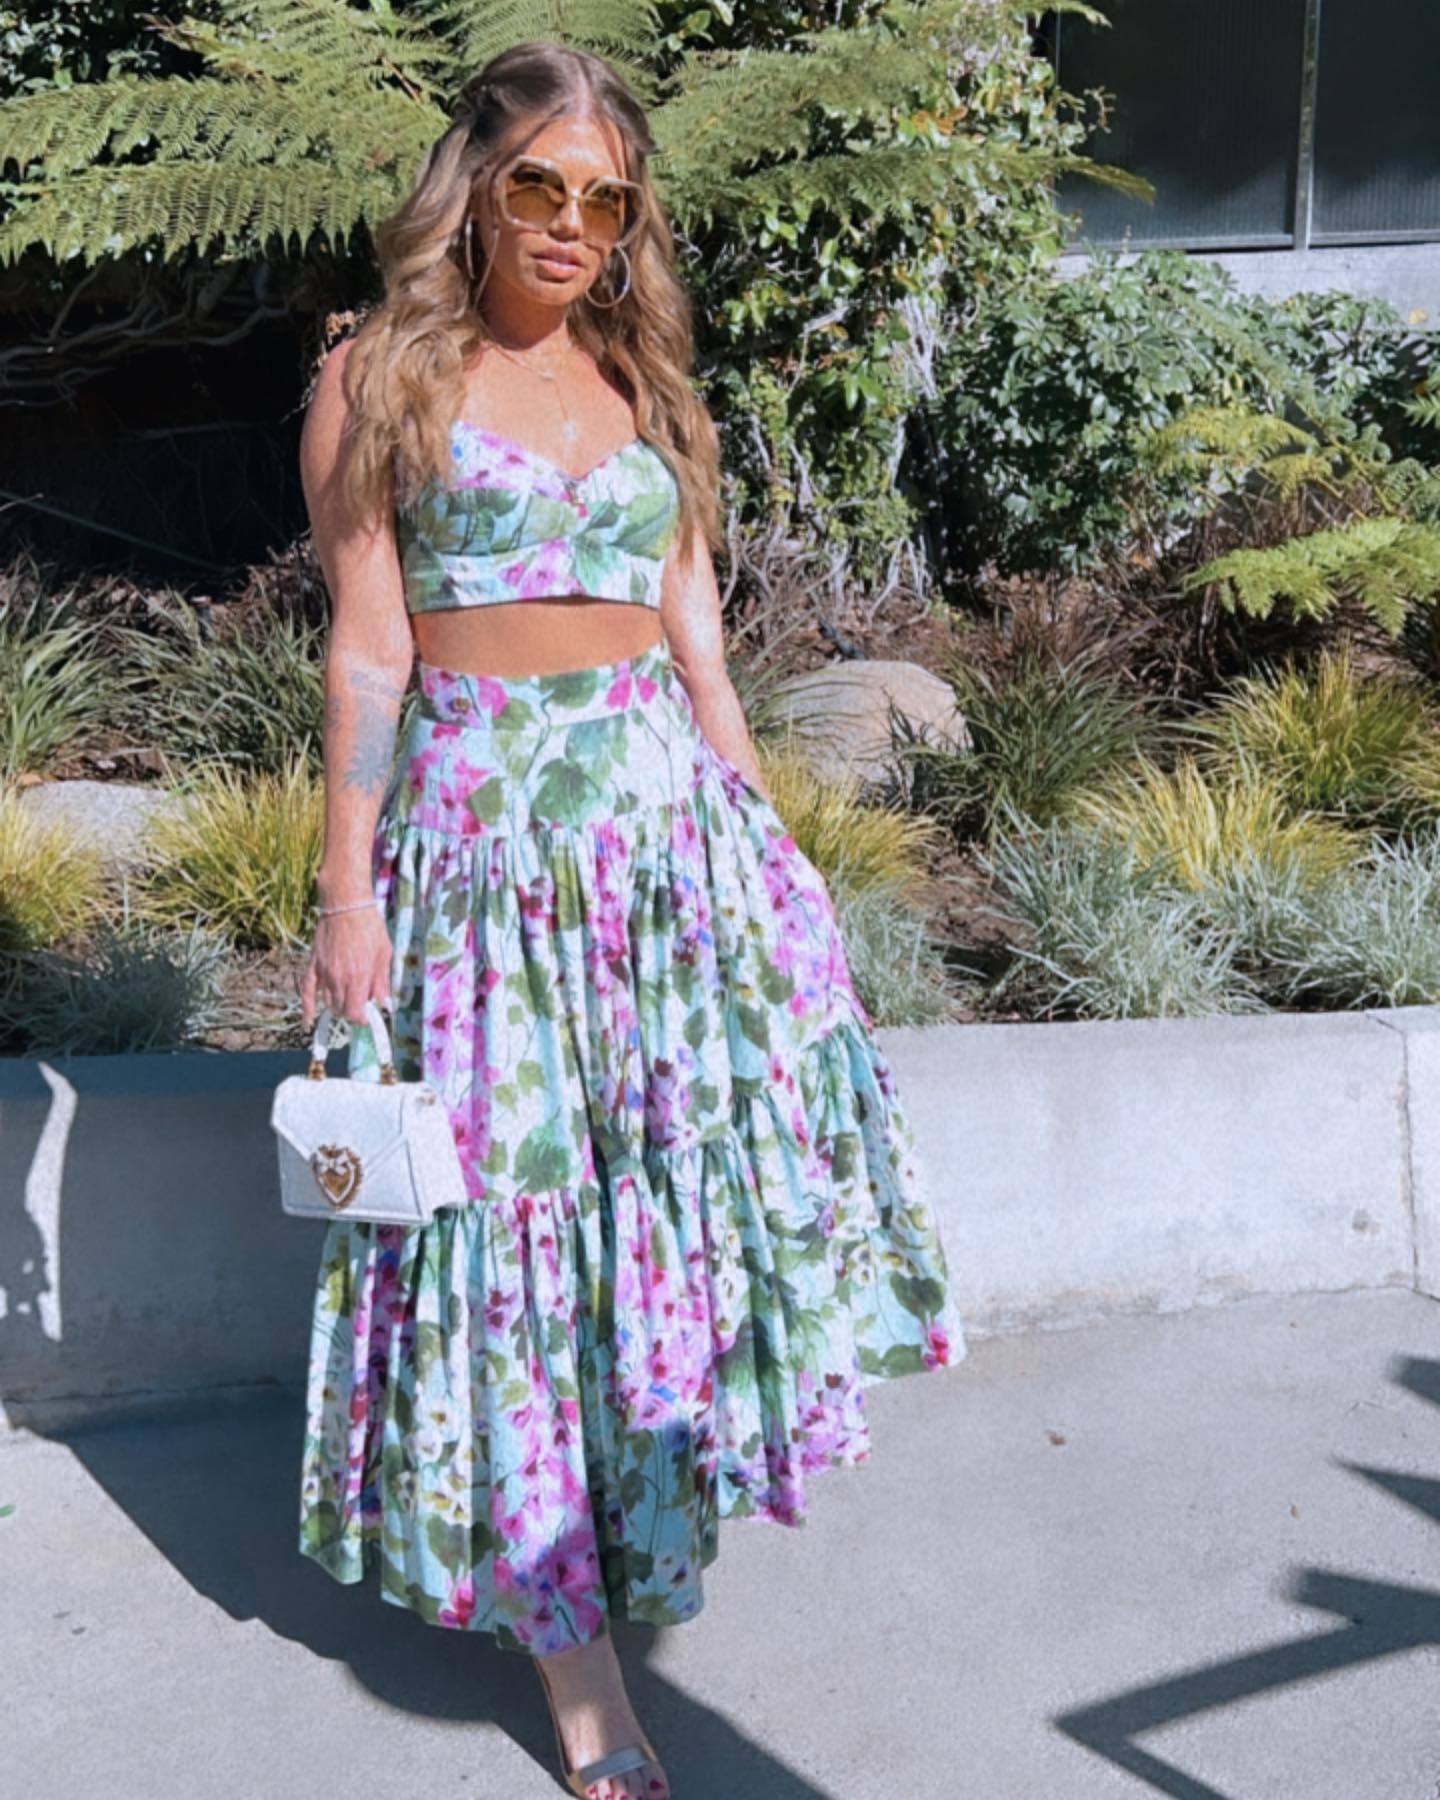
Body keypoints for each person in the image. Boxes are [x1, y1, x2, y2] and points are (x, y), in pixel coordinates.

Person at [296, 40, 966, 1800]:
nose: (572, 225)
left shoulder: (641, 374)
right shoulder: (375, 379)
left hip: (666, 844)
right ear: (476, 185)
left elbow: (698, 637)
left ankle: (635, 1504)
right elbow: (368, 649)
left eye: (606, 199)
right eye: (540, 185)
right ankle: (577, 1661)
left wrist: (763, 833)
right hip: (485, 853)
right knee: (510, 1217)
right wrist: (346, 892)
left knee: (656, 1203)